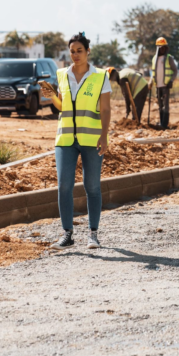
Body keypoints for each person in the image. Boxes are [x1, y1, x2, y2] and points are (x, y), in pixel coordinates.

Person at [40, 33, 111, 251]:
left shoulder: (100, 76)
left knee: (92, 186)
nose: (75, 55)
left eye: (79, 50)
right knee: (64, 186)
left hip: (91, 138)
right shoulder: (62, 74)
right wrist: (51, 95)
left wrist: (104, 135)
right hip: (65, 138)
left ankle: (93, 234)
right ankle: (67, 234)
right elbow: (61, 106)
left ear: (88, 51)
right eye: (72, 51)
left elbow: (106, 108)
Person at [152, 37, 178, 129]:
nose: (162, 49)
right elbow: (153, 72)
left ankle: (164, 124)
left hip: (166, 85)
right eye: (160, 47)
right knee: (160, 105)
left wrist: (171, 81)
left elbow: (175, 70)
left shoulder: (169, 58)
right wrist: (151, 82)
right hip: (157, 86)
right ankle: (161, 122)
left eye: (164, 47)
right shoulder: (154, 59)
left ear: (166, 48)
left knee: (165, 105)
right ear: (157, 48)